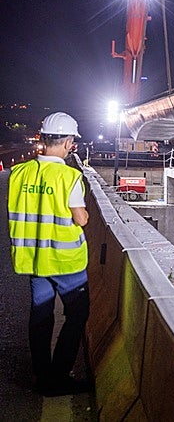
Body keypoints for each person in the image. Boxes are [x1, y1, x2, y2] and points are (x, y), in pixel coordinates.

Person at [7, 112, 92, 396]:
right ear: (69, 143)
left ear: (43, 138)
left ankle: (42, 376)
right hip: (67, 264)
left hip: (34, 260)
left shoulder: (19, 173)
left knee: (41, 317)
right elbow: (80, 218)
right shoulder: (69, 177)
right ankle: (59, 377)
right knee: (77, 315)